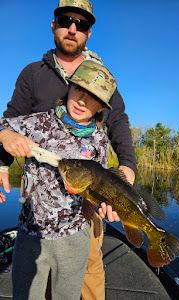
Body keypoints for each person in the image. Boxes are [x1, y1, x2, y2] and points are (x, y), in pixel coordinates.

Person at [0, 0, 135, 299]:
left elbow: (119, 123)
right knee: (35, 281)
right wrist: (2, 161)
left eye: (82, 24)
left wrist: (127, 166)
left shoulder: (103, 76)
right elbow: (9, 124)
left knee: (86, 276)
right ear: (53, 24)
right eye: (65, 20)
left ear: (89, 32)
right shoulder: (33, 73)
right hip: (38, 213)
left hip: (83, 214)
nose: (73, 28)